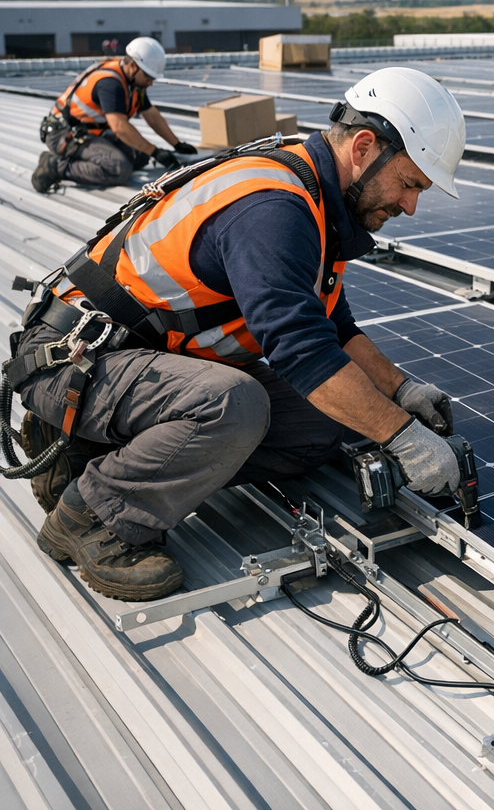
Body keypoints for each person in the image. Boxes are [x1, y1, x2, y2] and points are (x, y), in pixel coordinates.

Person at [8, 67, 467, 601]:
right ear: (364, 147)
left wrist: (400, 390)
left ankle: (89, 450)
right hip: (77, 360)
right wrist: (402, 436)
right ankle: (93, 516)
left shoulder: (316, 195)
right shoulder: (274, 208)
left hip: (140, 363)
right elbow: (302, 351)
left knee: (322, 423)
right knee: (235, 403)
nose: (410, 206)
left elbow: (333, 327)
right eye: (410, 184)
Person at [32, 36, 197, 193]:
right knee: (119, 168)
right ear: (134, 66)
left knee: (139, 156)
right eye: (148, 77)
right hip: (63, 135)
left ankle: (82, 158)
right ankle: (55, 166)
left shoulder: (133, 82)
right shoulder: (110, 84)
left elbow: (152, 115)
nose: (150, 83)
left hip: (90, 132)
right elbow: (119, 126)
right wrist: (155, 152)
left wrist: (176, 144)